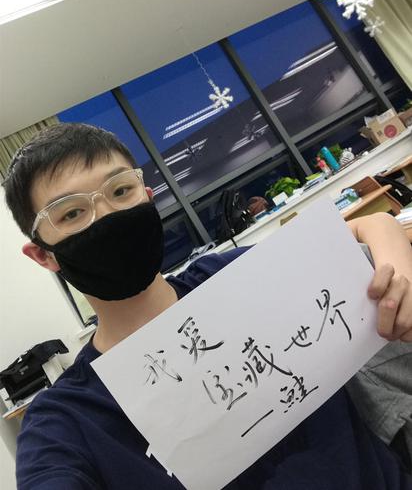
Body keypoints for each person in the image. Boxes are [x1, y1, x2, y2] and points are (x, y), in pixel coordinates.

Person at [2, 123, 412, 490]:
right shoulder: (67, 421)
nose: (106, 215)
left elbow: (367, 226)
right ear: (43, 255)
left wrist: (399, 270)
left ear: (148, 199)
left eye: (120, 191)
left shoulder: (230, 276)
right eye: (72, 213)